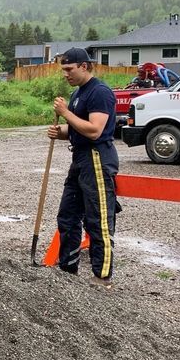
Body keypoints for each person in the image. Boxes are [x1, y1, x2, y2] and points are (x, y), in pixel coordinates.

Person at [47, 47, 119, 288]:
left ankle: (102, 277)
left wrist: (65, 112)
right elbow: (78, 128)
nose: (65, 74)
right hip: (79, 158)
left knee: (97, 219)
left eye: (69, 69)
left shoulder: (99, 92)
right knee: (67, 215)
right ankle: (68, 269)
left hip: (96, 158)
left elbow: (94, 130)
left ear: (84, 66)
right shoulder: (79, 93)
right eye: (63, 70)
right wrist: (60, 132)